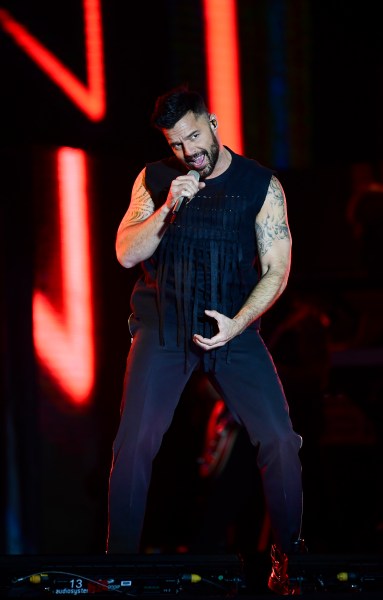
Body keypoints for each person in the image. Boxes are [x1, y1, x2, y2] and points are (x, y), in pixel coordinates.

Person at [106, 84, 306, 595]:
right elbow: (127, 253)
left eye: (195, 136)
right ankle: (119, 569)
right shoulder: (157, 179)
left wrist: (238, 323)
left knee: (280, 440)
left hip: (232, 327)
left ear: (213, 123)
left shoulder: (261, 185)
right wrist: (168, 207)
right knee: (134, 444)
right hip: (164, 328)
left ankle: (288, 562)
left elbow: (277, 270)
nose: (189, 151)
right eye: (177, 144)